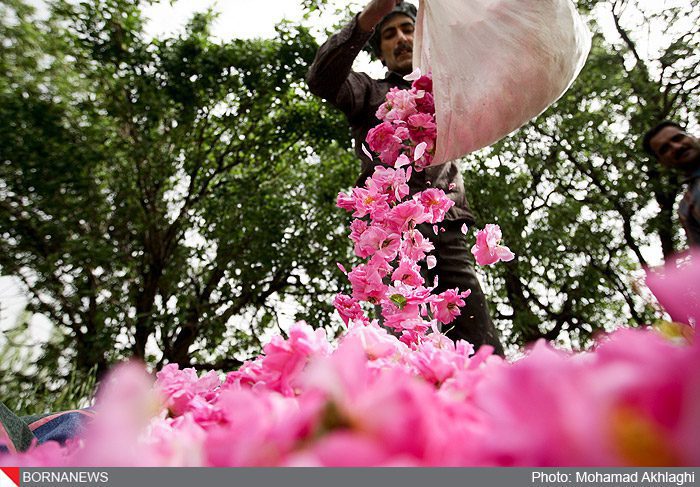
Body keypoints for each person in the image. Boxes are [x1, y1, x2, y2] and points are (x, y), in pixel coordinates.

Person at [306, 0, 504, 354]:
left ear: (424, 38)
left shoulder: (450, 91)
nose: (400, 38)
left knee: (478, 338)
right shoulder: (369, 92)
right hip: (389, 230)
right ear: (380, 53)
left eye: (408, 29)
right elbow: (321, 80)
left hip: (450, 224)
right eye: (389, 33)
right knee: (403, 330)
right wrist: (371, 15)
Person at [643, 121, 700, 247]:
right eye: (665, 149)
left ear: (690, 136)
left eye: (678, 138)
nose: (676, 147)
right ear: (663, 162)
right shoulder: (687, 209)